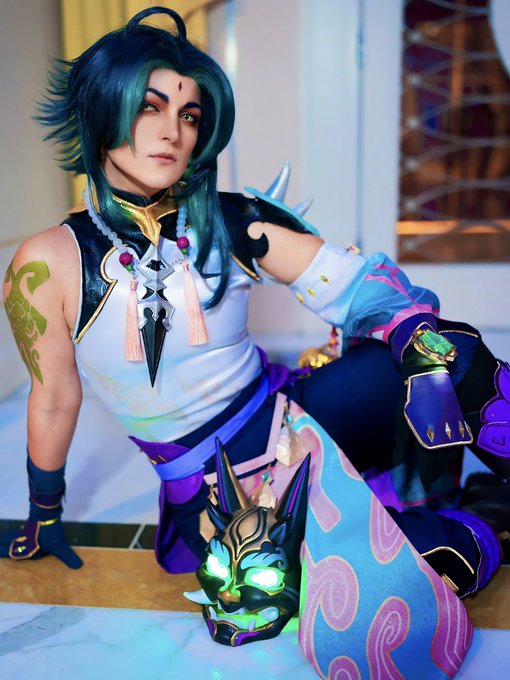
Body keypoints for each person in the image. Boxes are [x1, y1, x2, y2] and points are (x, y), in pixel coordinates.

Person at [2, 5, 509, 666]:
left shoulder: (230, 221)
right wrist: (43, 512)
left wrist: (416, 339)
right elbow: (53, 399)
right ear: (102, 111)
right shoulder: (45, 264)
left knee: (448, 349)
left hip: (299, 417)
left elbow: (358, 284)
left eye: (189, 115)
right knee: (320, 593)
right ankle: (492, 513)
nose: (174, 131)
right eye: (150, 107)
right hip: (216, 489)